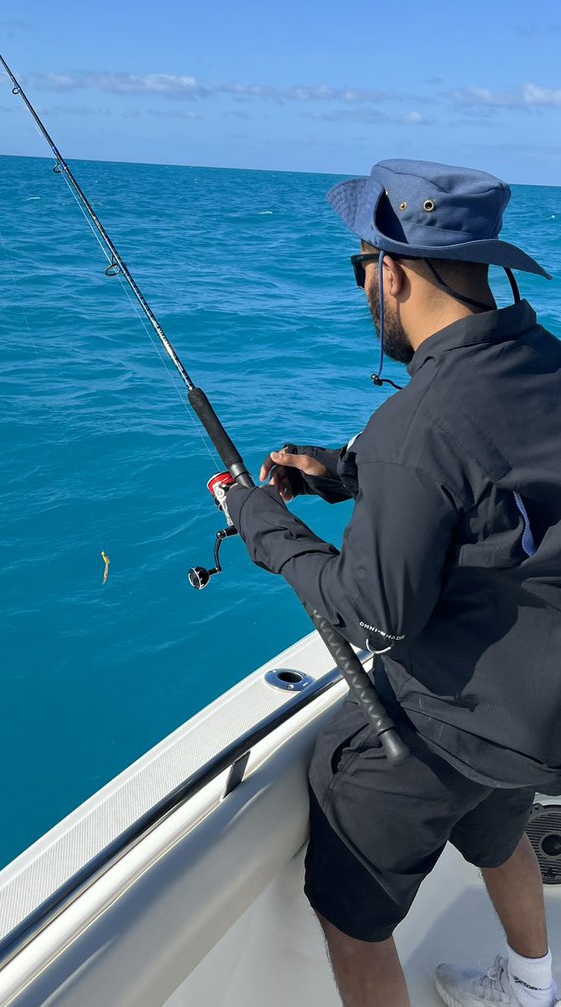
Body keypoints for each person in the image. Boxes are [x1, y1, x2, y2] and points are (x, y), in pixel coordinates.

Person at [223, 159, 561, 1007]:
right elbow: (499, 484)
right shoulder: (543, 362)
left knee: (354, 917)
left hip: (453, 721)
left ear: (393, 271)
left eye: (359, 271)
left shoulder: (419, 423)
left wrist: (261, 523)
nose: (362, 290)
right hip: (540, 710)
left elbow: (377, 609)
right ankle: (530, 987)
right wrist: (344, 470)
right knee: (497, 833)